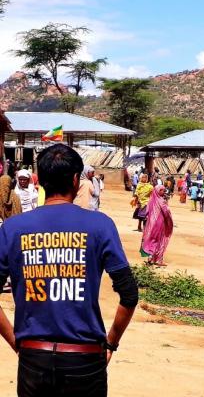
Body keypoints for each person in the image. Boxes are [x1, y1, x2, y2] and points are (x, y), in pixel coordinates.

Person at [0, 144, 138, 396]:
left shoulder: (13, 228)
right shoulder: (100, 225)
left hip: (33, 359)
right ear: (76, 180)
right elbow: (129, 294)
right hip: (85, 360)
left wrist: (17, 343)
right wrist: (111, 343)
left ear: (39, 180)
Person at [140, 185, 173, 267]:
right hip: (159, 224)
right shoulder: (161, 201)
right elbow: (166, 212)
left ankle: (150, 259)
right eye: (162, 190)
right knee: (160, 241)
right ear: (158, 191)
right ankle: (159, 260)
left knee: (151, 240)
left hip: (151, 224)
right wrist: (170, 221)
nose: (163, 192)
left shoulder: (151, 200)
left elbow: (146, 212)